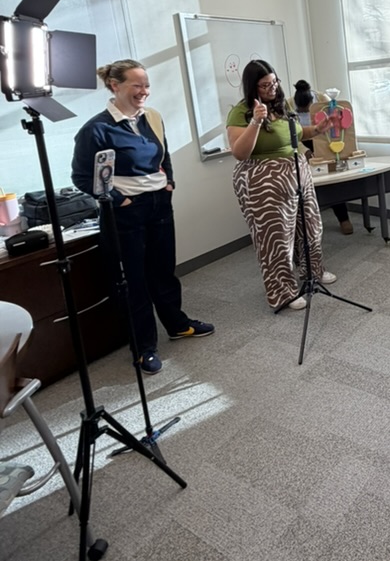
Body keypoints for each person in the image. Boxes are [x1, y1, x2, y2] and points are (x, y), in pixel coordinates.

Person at [71, 59, 214, 375]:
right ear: (115, 86)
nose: (144, 91)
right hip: (126, 212)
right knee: (133, 281)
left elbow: (164, 153)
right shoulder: (96, 130)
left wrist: (169, 182)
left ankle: (177, 325)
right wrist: (117, 199)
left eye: (146, 85)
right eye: (137, 85)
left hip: (159, 205)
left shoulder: (152, 117)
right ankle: (143, 348)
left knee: (163, 271)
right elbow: (82, 177)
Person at [226, 60, 337, 311]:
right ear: (252, 87)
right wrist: (255, 121)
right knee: (276, 240)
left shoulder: (281, 106)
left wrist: (317, 129)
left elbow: (295, 134)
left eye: (275, 82)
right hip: (263, 183)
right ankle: (282, 292)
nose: (272, 88)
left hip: (296, 174)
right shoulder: (241, 112)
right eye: (265, 85)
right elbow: (239, 152)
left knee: (311, 228)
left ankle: (312, 272)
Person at [286, 79, 354, 235]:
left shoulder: (322, 99)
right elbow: (292, 135)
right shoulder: (287, 105)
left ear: (312, 100)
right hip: (302, 144)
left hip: (324, 140)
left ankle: (343, 218)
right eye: (301, 110)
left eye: (307, 109)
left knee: (332, 181)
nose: (304, 112)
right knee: (303, 183)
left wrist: (324, 149)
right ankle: (306, 227)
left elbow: (334, 124)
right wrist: (306, 151)